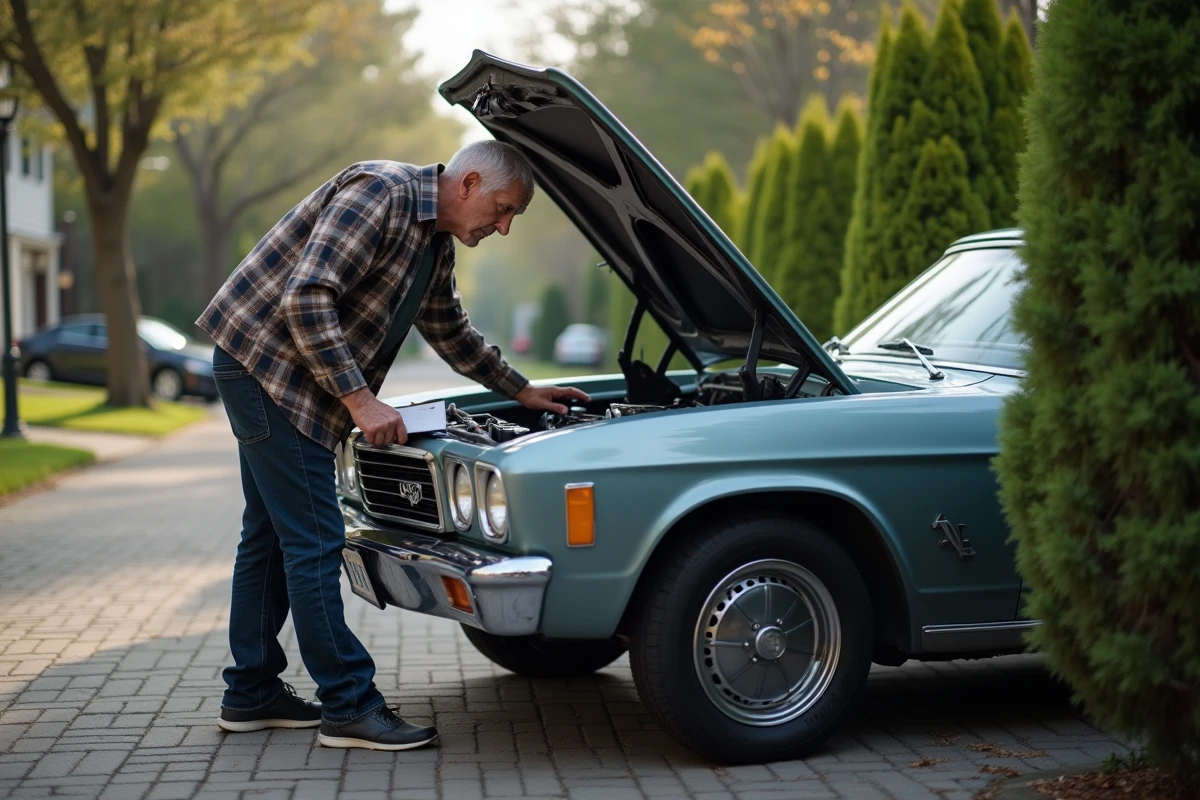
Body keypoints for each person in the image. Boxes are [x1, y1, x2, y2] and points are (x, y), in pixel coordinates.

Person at [196, 141, 588, 751]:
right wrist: (360, 400)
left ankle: (251, 692)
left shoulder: (433, 244)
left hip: (281, 371)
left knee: (269, 534)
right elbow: (306, 296)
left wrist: (522, 389)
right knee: (314, 540)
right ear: (470, 183)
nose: (505, 227)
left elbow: (450, 330)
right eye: (504, 208)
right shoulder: (381, 194)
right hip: (265, 367)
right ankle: (348, 705)